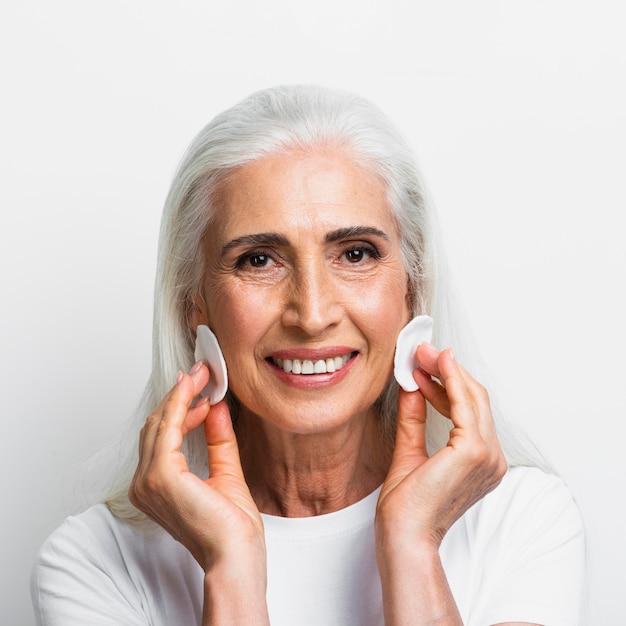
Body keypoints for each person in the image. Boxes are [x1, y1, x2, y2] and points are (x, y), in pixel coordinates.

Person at [31, 85, 585, 625]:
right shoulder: (96, 562)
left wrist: (414, 548)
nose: (313, 313)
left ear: (411, 289)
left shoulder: (522, 520)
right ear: (193, 304)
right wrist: (230, 570)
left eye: (355, 253)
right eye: (258, 260)